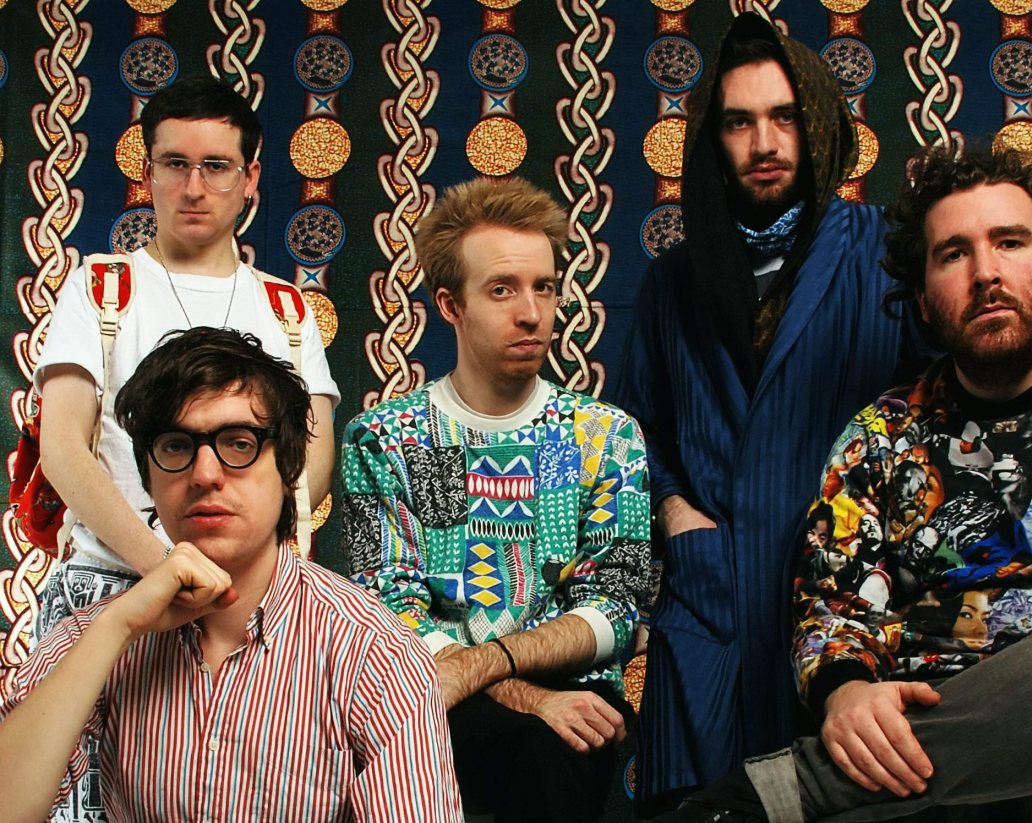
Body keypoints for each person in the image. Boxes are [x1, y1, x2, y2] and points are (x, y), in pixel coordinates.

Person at [660, 146, 1032, 822]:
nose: (986, 273)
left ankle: (782, 796)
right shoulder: (882, 433)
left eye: (1010, 242)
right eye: (953, 254)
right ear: (926, 303)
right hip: (924, 749)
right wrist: (846, 690)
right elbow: (832, 600)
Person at [614, 12, 927, 811]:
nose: (764, 143)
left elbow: (938, 412)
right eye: (739, 122)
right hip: (710, 605)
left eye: (784, 116)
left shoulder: (891, 256)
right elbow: (630, 435)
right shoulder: (673, 282)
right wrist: (675, 511)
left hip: (849, 606)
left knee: (842, 798)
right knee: (700, 811)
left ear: (816, 123)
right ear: (712, 140)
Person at [31, 76, 338, 822]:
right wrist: (163, 567)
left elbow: (313, 455)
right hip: (111, 585)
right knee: (71, 801)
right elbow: (62, 449)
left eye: (216, 166)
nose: (193, 187)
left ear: (250, 178)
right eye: (174, 164)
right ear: (148, 171)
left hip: (245, 601)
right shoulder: (101, 287)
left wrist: (248, 572)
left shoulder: (285, 307)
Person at [0, 328, 462, 823]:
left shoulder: (374, 650)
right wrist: (117, 627)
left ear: (289, 470)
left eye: (239, 443)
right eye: (176, 446)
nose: (204, 474)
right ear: (149, 479)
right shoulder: (103, 631)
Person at [340, 176, 651, 822]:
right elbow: (390, 607)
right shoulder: (389, 439)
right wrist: (523, 695)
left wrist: (503, 672)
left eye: (545, 287)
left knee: (550, 748)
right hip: (432, 685)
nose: (532, 313)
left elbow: (615, 608)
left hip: (573, 692)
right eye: (503, 289)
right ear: (450, 305)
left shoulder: (601, 437)